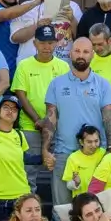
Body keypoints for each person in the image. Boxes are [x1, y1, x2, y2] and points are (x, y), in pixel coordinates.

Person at [40, 38, 111, 215]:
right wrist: (46, 150)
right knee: (62, 211)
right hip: (63, 154)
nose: (81, 56)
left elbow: (109, 119)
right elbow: (50, 119)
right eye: (77, 51)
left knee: (96, 210)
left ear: (92, 54)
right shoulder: (56, 84)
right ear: (70, 53)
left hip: (96, 156)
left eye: (85, 52)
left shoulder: (103, 84)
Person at [11, 25, 68, 158]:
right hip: (30, 127)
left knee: (55, 169)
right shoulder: (24, 65)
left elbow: (66, 97)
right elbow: (21, 95)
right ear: (34, 43)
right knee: (30, 171)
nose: (46, 47)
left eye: (50, 43)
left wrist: (50, 122)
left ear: (56, 43)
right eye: (42, 43)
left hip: (57, 128)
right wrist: (37, 120)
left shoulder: (64, 67)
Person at [9, 0, 81, 63]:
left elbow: (81, 37)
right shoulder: (26, 6)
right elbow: (15, 37)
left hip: (62, 65)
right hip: (30, 65)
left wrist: (71, 19)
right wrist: (37, 26)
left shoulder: (72, 6)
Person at [61, 125, 105, 199]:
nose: (93, 145)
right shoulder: (73, 158)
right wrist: (76, 183)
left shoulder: (104, 153)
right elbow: (69, 185)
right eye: (89, 142)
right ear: (81, 142)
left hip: (101, 198)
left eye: (96, 141)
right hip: (82, 200)